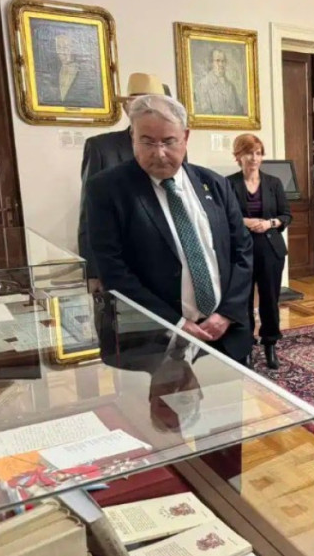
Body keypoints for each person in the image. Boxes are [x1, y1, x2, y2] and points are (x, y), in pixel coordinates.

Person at [85, 94, 253, 365]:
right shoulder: (107, 190)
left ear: (185, 137)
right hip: (153, 341)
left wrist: (226, 314)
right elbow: (113, 269)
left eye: (168, 141)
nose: (159, 152)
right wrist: (175, 323)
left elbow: (242, 250)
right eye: (147, 142)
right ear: (133, 137)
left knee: (227, 394)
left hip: (224, 333)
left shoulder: (215, 184)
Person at [79, 73, 168, 290]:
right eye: (139, 103)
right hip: (120, 262)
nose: (147, 110)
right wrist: (93, 272)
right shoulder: (102, 148)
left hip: (165, 261)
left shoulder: (173, 147)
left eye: (152, 103)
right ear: (127, 107)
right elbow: (88, 215)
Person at [226, 133, 291, 370]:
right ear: (238, 156)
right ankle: (245, 346)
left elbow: (286, 215)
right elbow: (222, 216)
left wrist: (270, 223)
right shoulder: (227, 183)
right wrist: (245, 222)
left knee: (269, 299)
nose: (254, 158)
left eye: (258, 153)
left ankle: (270, 344)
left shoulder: (274, 183)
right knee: (242, 301)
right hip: (241, 250)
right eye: (248, 153)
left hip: (270, 248)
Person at [194, 48, 244, 116]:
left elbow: (239, 112)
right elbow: (205, 114)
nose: (221, 64)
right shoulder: (202, 85)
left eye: (223, 61)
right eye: (217, 61)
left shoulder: (231, 87)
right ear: (211, 63)